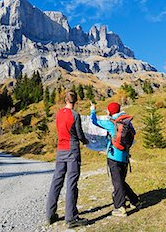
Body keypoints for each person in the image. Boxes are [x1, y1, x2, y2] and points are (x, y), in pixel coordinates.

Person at [46, 91, 89, 228]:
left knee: (57, 181)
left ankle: (50, 214)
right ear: (75, 101)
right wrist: (86, 141)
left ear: (65, 100)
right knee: (71, 182)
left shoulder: (58, 114)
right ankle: (71, 218)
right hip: (72, 150)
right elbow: (79, 134)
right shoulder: (75, 115)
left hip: (60, 150)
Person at [90, 102, 139, 217]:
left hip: (113, 156)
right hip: (125, 157)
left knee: (117, 183)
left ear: (111, 111)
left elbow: (94, 121)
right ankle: (135, 201)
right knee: (121, 181)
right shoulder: (127, 122)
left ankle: (120, 207)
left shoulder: (111, 123)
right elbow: (133, 133)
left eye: (108, 110)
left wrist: (93, 110)